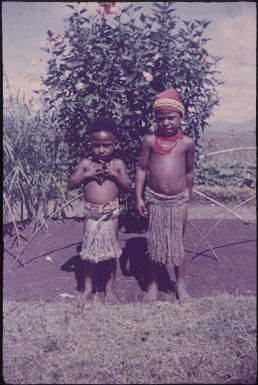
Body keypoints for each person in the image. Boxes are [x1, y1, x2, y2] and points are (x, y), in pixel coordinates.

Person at [135, 88, 195, 303]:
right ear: (156, 120)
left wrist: (188, 193)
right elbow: (142, 169)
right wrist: (139, 197)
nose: (167, 122)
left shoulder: (187, 143)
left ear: (181, 117)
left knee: (177, 241)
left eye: (171, 117)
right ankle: (152, 285)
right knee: (156, 241)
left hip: (179, 200)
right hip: (154, 199)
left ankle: (180, 285)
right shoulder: (149, 141)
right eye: (161, 119)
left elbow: (189, 171)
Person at [68, 117, 132, 304]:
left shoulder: (117, 165)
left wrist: (114, 175)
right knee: (88, 253)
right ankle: (88, 288)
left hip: (111, 215)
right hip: (91, 216)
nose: (101, 150)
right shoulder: (86, 164)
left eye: (106, 145)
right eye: (97, 145)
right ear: (91, 143)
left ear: (115, 144)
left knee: (111, 252)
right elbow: (71, 184)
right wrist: (86, 175)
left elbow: (128, 186)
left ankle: (109, 289)